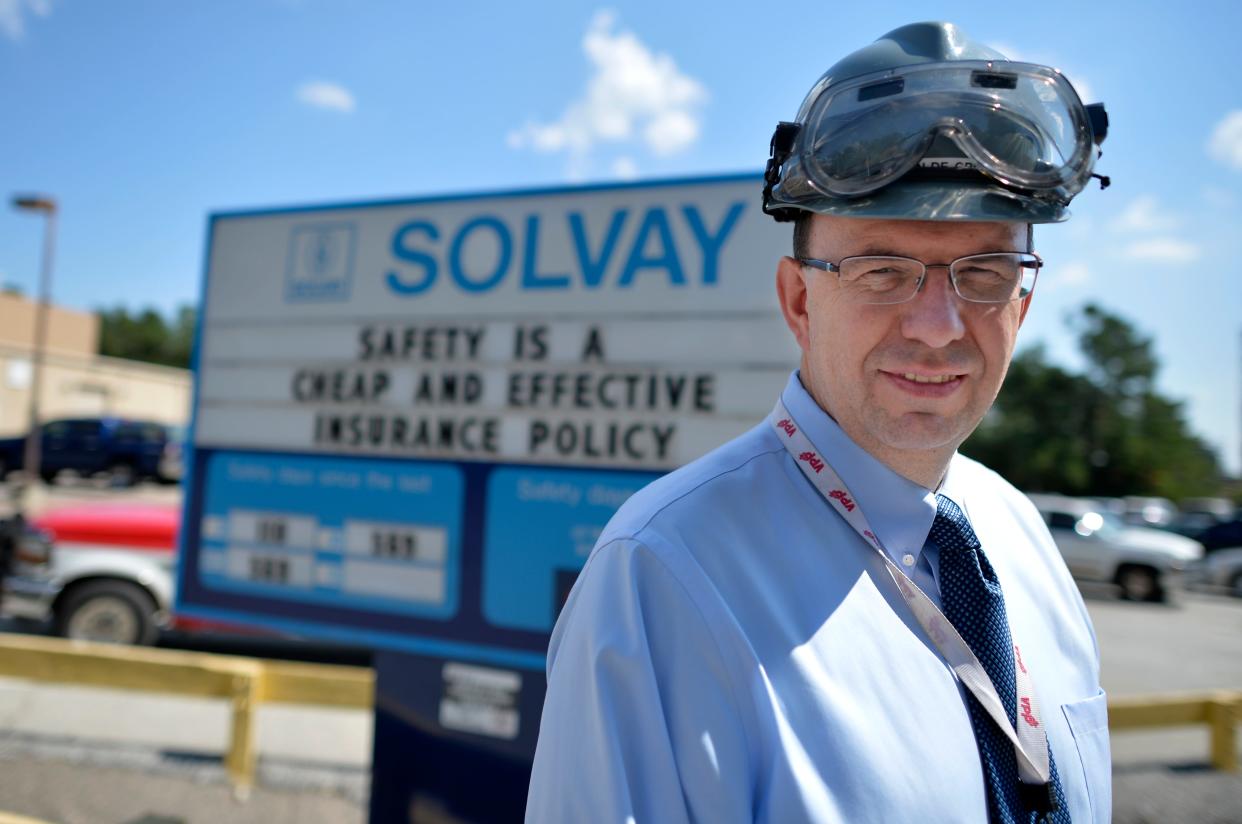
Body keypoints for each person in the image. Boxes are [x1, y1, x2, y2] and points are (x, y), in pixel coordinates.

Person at [527, 21, 1112, 823]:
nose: (939, 325)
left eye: (984, 271)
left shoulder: (1022, 540)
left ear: (1025, 299)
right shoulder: (664, 576)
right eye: (882, 270)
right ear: (800, 300)